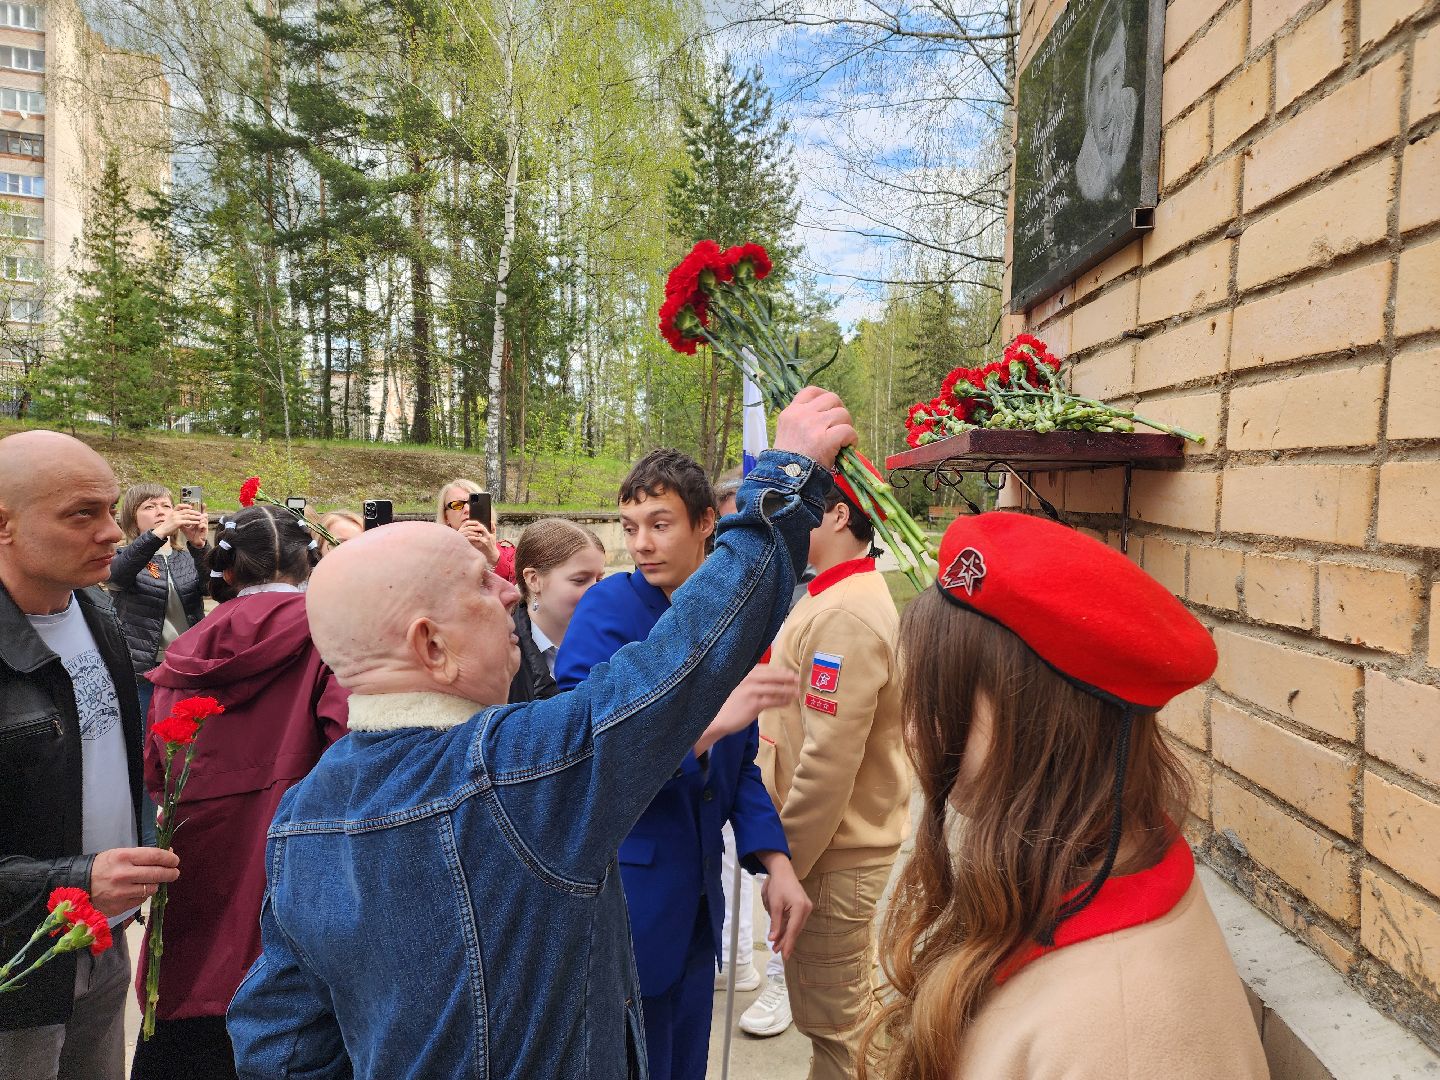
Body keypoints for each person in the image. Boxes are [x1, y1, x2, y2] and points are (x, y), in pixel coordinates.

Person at [225, 387, 855, 1080]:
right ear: (431, 646)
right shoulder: (519, 771)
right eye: (480, 584)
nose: (508, 591)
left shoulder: (301, 819)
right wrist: (787, 474)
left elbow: (279, 1045)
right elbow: (685, 660)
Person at [860, 513, 1269, 1079]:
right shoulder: (1086, 859)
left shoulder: (1116, 1043)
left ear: (1042, 729)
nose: (913, 732)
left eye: (943, 703)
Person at [557, 449, 812, 1080]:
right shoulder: (607, 610)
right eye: (630, 527)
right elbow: (583, 754)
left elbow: (740, 766)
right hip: (631, 898)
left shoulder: (730, 621)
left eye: (660, 524)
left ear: (706, 524)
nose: (641, 544)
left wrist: (774, 862)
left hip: (698, 903)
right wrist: (713, 722)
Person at [131, 504, 350, 1080]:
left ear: (225, 570)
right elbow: (350, 753)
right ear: (312, 563)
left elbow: (157, 770)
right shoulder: (332, 637)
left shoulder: (186, 651)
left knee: (189, 1004)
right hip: (293, 863)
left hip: (199, 859)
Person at [0, 431, 180, 1080]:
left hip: (101, 942)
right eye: (82, 514)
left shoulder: (97, 610)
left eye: (110, 508)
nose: (112, 532)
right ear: (3, 525)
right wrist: (74, 881)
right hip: (18, 972)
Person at [752, 459, 907, 1073]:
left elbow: (828, 761)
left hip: (831, 854)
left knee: (839, 1029)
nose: (791, 519)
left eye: (804, 505)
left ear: (839, 515)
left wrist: (785, 860)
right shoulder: (834, 593)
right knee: (842, 1018)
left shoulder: (844, 613)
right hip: (832, 850)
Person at [108, 484, 210, 723]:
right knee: (146, 737)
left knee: (190, 735)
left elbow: (213, 588)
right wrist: (159, 533)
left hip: (187, 666)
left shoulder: (185, 557)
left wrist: (200, 547)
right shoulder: (122, 557)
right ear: (132, 517)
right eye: (149, 506)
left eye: (166, 505)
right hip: (144, 671)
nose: (160, 511)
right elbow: (117, 577)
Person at [508, 518, 605, 703]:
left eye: (599, 579)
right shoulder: (500, 654)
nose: (596, 591)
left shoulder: (613, 641)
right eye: (580, 580)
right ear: (534, 579)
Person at [1075, 0, 1137, 202]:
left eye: (1117, 71)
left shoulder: (1130, 104)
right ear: (1088, 99)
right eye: (1101, 86)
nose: (1112, 97)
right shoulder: (1084, 173)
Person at [437, 477, 515, 581]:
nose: (467, 509)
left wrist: (493, 556)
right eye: (457, 505)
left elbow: (517, 587)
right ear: (446, 516)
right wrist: (456, 549)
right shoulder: (435, 554)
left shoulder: (509, 553)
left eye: (474, 503)